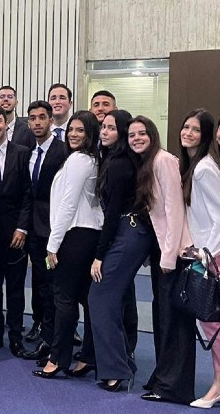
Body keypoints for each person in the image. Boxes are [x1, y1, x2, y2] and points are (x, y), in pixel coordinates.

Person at [127, 116, 194, 403]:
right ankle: (163, 377)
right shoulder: (148, 162)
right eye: (132, 135)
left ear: (153, 135)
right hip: (162, 250)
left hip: (174, 253)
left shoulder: (163, 160)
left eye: (142, 133)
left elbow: (174, 209)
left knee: (173, 322)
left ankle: (173, 387)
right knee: (161, 316)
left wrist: (168, 256)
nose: (137, 138)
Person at [34, 111, 103, 380]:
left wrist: (53, 244)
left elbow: (68, 204)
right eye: (71, 129)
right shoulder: (90, 159)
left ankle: (57, 358)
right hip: (87, 234)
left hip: (75, 235)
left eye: (80, 130)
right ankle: (87, 356)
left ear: (90, 134)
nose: (74, 134)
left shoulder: (78, 160)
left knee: (63, 298)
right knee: (85, 298)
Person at [87, 110, 150, 388]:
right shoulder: (118, 160)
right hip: (131, 232)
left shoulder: (119, 164)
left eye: (111, 128)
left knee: (100, 298)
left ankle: (117, 370)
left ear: (121, 133)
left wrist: (99, 255)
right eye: (103, 127)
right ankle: (121, 363)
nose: (104, 132)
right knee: (106, 298)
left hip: (127, 231)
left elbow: (112, 214)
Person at [0, 105, 32, 358]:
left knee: (15, 289)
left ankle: (15, 337)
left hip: (15, 234)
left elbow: (27, 195)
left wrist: (22, 227)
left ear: (6, 124)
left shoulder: (22, 153)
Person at [20, 101, 68, 362]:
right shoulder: (29, 151)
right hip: (34, 231)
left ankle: (55, 344)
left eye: (42, 118)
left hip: (56, 231)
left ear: (51, 120)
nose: (37, 122)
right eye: (32, 119)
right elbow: (29, 193)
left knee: (53, 289)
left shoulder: (63, 152)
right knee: (40, 286)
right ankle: (47, 337)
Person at [179, 109, 220, 408]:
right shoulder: (194, 166)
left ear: (206, 136)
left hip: (214, 256)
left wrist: (209, 254)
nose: (188, 133)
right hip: (205, 253)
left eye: (195, 129)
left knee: (213, 324)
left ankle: (217, 386)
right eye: (185, 127)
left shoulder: (205, 169)